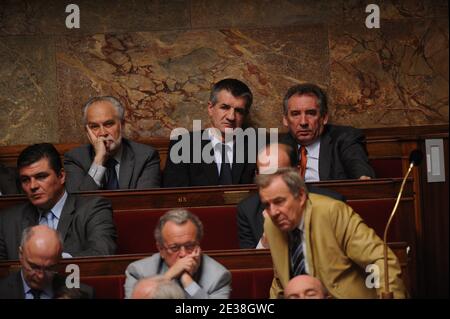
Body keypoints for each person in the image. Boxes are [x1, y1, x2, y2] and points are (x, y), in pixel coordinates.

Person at [256, 167, 406, 298]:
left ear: (301, 196)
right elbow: (280, 281)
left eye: (279, 201)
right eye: (267, 205)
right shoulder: (271, 223)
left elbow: (381, 260)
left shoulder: (332, 212)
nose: (273, 212)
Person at [0, 143, 117, 260]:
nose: (32, 186)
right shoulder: (7, 220)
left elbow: (103, 252)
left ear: (61, 176)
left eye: (41, 176)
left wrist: (51, 260)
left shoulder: (93, 209)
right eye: (25, 180)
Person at [237, 143, 346, 249]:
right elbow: (250, 263)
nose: (271, 182)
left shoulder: (333, 203)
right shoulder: (248, 210)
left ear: (298, 172)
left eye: (278, 174)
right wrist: (265, 242)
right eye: (264, 176)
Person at [163, 79, 256, 187]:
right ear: (210, 108)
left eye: (239, 111)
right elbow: (174, 197)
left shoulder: (257, 147)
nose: (231, 117)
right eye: (225, 107)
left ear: (245, 115)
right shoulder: (182, 146)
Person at [124, 209, 231, 299]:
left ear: (198, 244)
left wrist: (187, 280)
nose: (183, 254)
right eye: (174, 248)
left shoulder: (218, 276)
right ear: (161, 249)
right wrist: (168, 276)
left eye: (190, 246)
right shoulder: (139, 272)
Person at [280, 83, 375, 181]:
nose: (303, 122)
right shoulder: (276, 146)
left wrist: (363, 177)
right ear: (285, 120)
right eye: (295, 114)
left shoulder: (345, 139)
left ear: (324, 118)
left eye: (311, 113)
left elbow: (358, 166)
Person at [64, 96, 161, 191]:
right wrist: (98, 160)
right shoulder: (75, 159)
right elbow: (78, 204)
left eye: (108, 124)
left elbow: (146, 202)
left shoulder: (146, 157)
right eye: (94, 126)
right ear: (87, 132)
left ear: (122, 125)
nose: (102, 133)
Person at [0, 225, 94, 299]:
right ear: (21, 255)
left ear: (59, 261)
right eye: (34, 267)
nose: (41, 276)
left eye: (49, 268)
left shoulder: (83, 294)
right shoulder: (2, 291)